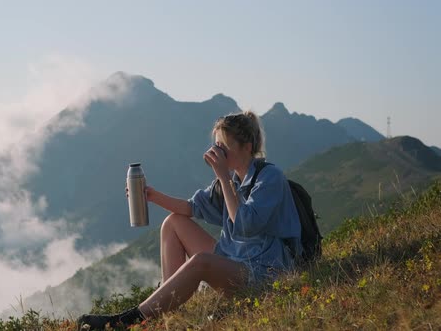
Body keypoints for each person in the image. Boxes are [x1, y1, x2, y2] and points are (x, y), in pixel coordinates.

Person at [77, 111, 302, 330]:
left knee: (201, 261)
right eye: (217, 146)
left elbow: (244, 226)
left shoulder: (269, 178)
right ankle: (168, 307)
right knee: (173, 223)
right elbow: (190, 207)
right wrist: (152, 196)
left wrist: (223, 177)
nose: (218, 153)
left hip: (265, 272)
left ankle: (128, 321)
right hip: (236, 258)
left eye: (224, 147)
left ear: (247, 147)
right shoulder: (231, 179)